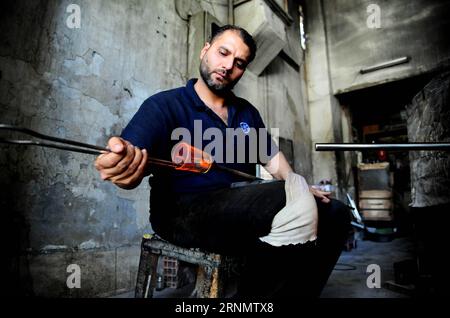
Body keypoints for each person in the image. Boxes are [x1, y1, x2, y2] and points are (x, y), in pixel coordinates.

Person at [95, 25, 350, 298]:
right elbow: (127, 153)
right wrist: (122, 165)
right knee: (285, 198)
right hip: (180, 211)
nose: (228, 66)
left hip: (235, 204)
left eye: (239, 63)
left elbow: (273, 160)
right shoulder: (164, 105)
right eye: (223, 52)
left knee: (335, 213)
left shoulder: (246, 113)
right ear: (206, 50)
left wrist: (298, 186)